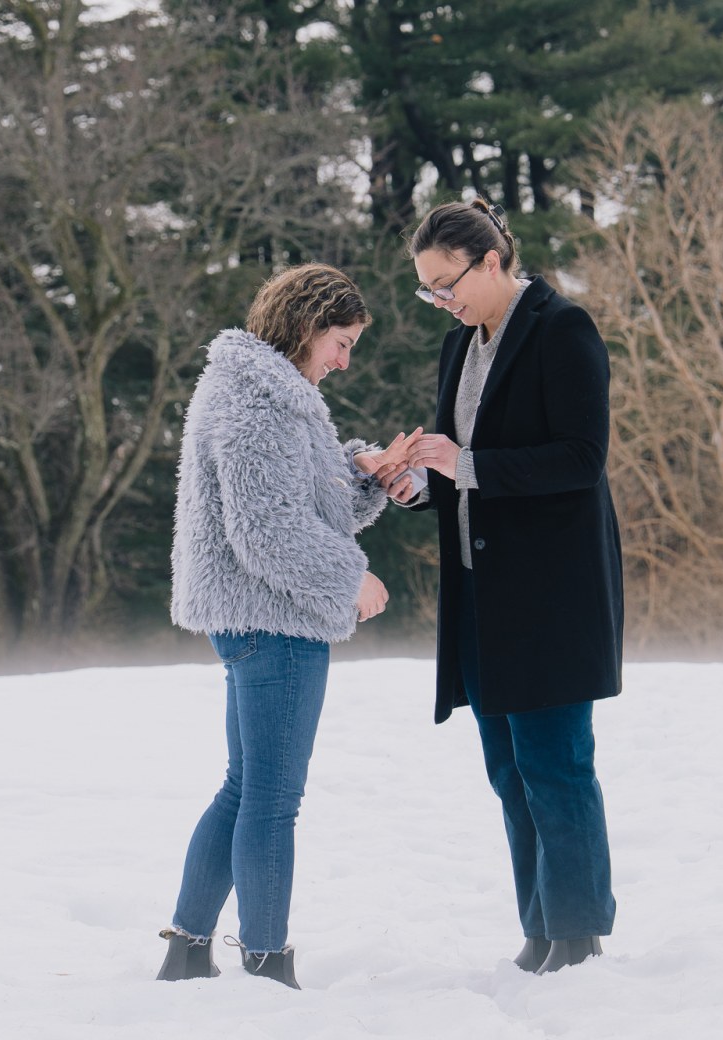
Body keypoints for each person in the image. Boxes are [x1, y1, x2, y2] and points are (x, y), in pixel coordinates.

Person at [157, 263, 418, 989]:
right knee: (272, 800)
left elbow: (295, 495)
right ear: (307, 327)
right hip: (275, 620)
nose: (343, 359)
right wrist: (350, 580)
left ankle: (186, 949)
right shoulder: (260, 403)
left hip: (251, 616)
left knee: (243, 789)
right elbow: (268, 531)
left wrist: (366, 472)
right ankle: (268, 967)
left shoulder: (263, 390)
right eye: (341, 341)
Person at [388, 199, 624, 974]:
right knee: (507, 769)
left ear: (491, 261)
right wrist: (418, 484)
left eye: (444, 283)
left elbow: (581, 460)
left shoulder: (563, 330)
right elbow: (453, 462)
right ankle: (539, 926)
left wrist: (469, 467)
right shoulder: (461, 347)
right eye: (427, 290)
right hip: (479, 594)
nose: (439, 301)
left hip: (551, 597)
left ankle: (579, 932)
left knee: (556, 763)